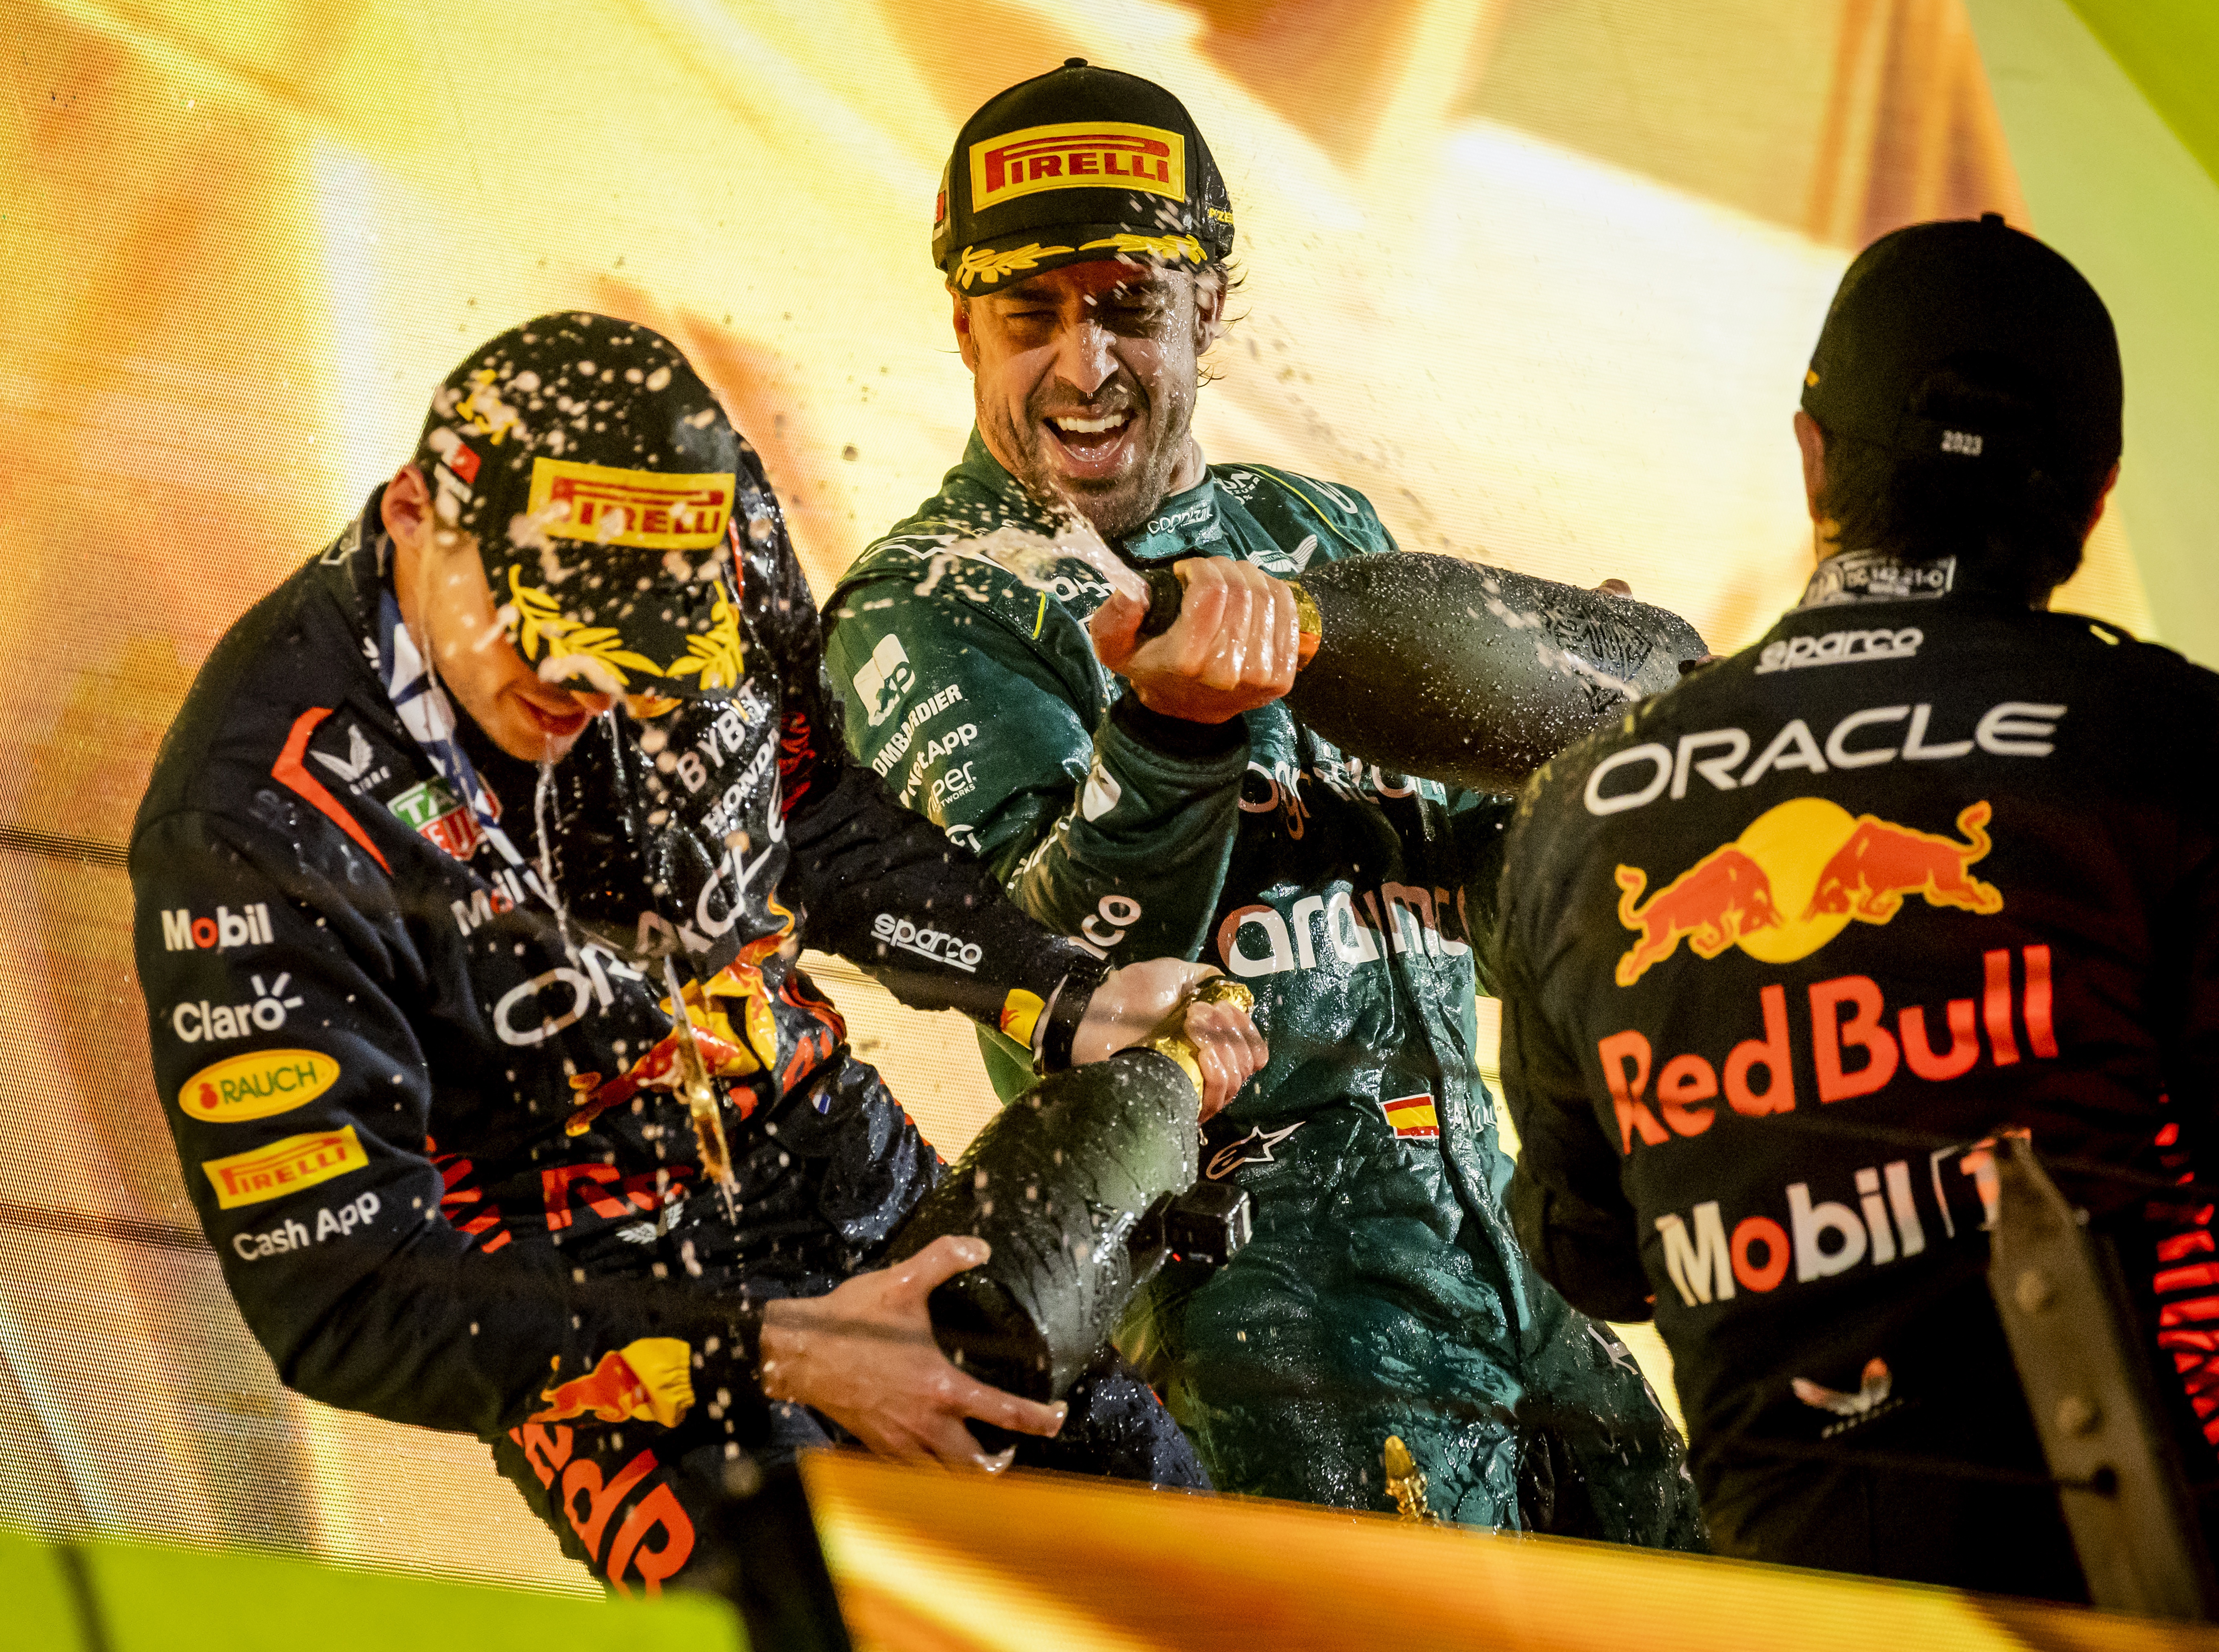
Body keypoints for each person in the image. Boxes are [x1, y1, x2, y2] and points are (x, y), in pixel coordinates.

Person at [129, 313, 1267, 1600]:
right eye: (551, 652)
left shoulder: (715, 513)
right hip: (580, 1280)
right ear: (412, 516)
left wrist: (1065, 990)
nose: (595, 698)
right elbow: (338, 1292)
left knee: (1180, 1571)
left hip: (827, 1139)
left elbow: (810, 809)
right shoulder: (252, 820)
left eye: (645, 663)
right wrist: (783, 1350)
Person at [823, 59, 1701, 1542]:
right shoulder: (929, 607)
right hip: (1263, 1309)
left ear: (1209, 309)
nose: (1084, 366)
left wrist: (1576, 772)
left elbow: (1464, 913)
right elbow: (1054, 976)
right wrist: (1175, 735)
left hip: (1504, 1243)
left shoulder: (1320, 530)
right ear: (961, 323)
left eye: (1128, 308)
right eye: (1031, 317)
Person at [1491, 215, 2219, 1597]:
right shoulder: (2171, 748)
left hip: (1787, 1594)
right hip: (2140, 1593)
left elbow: (1589, 1253)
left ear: (1813, 452)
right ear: (2097, 494)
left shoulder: (1578, 809)